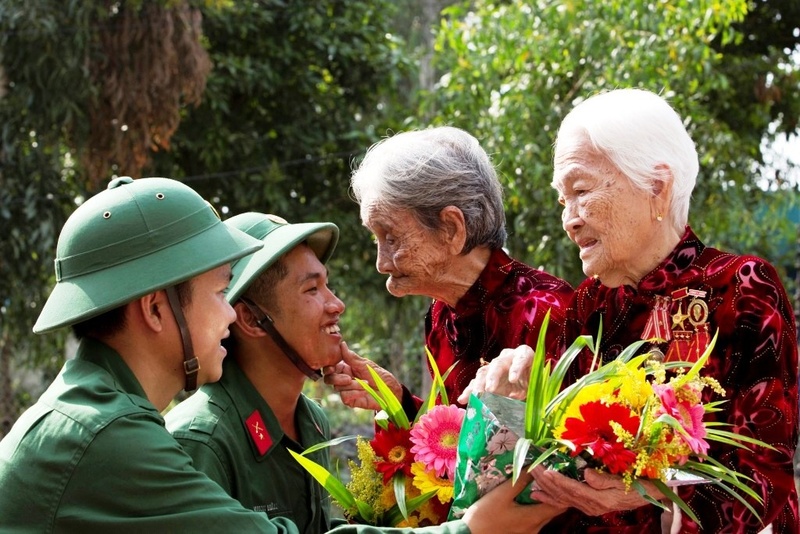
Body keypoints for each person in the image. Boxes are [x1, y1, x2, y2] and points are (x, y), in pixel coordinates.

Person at [0, 176, 559, 534]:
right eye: (220, 293)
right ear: (153, 310)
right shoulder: (112, 437)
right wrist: (475, 531)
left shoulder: (105, 414)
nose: (227, 313)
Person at [465, 88, 800, 533]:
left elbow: (763, 476)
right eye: (563, 199)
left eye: (581, 190)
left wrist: (658, 492)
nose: (569, 218)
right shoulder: (589, 306)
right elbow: (559, 457)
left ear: (656, 189)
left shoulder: (741, 287)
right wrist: (516, 399)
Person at [324, 126, 573, 415]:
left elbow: (554, 453)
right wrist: (396, 400)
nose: (381, 263)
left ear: (451, 228)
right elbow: (457, 437)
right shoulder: (443, 316)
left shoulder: (543, 313)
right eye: (375, 238)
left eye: (391, 238)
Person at [166, 212, 346, 533]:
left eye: (327, 285)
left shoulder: (313, 421)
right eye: (312, 290)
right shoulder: (203, 441)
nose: (336, 304)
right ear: (250, 319)